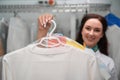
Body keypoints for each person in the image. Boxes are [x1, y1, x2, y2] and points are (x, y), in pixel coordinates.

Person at [37, 13, 118, 80]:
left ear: (102, 34)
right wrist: (42, 30)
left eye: (97, 30)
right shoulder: (68, 53)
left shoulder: (108, 63)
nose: (91, 33)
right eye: (88, 28)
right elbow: (42, 55)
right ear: (82, 31)